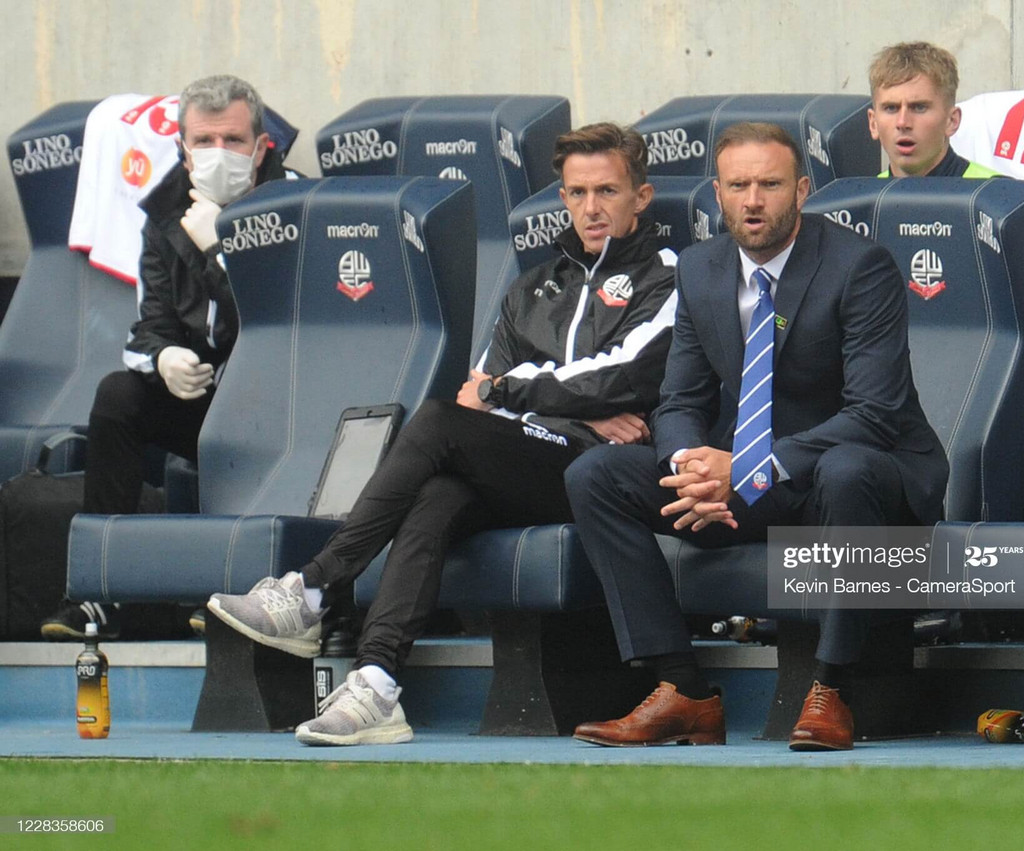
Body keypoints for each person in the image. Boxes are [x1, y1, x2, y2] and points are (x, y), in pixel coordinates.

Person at [206, 122, 679, 746]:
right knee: (437, 496)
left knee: (435, 424)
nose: (591, 208)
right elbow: (479, 396)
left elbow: (618, 376)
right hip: (533, 460)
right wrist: (565, 407)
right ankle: (375, 682)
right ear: (562, 197)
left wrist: (516, 393)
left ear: (640, 198)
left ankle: (314, 587)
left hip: (602, 475)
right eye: (576, 192)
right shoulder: (531, 288)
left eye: (608, 191)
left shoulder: (667, 276)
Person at [566, 122, 948, 751]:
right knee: (596, 476)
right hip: (750, 482)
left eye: (769, 184)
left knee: (848, 468)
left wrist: (747, 470)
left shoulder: (861, 266)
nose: (752, 200)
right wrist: (692, 466)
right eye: (738, 185)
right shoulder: (700, 268)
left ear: (801, 189)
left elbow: (874, 414)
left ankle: (834, 688)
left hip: (854, 478)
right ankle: (682, 689)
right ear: (716, 193)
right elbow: (681, 398)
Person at [40, 75, 293, 641]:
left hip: (282, 405)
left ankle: (247, 591)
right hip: (206, 397)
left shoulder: (295, 201)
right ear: (182, 147)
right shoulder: (162, 212)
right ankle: (98, 594)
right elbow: (150, 323)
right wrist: (164, 359)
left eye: (232, 140)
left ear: (261, 146)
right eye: (204, 142)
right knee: (119, 396)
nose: (218, 154)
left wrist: (217, 248)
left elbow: (282, 322)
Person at [867, 41, 1024, 451]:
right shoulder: (852, 210)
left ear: (952, 120)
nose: (903, 122)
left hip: (993, 401)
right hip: (885, 405)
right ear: (872, 122)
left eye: (919, 107)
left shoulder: (1003, 201)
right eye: (890, 108)